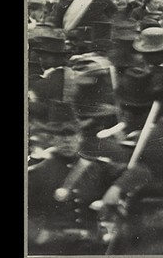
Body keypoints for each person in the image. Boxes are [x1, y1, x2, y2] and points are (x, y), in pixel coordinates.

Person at [28, 101, 124, 255]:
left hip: (91, 247)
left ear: (80, 137)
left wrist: (116, 187)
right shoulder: (36, 173)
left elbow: (138, 171)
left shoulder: (97, 167)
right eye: (60, 135)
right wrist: (37, 235)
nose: (67, 141)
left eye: (72, 134)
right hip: (53, 249)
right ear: (51, 139)